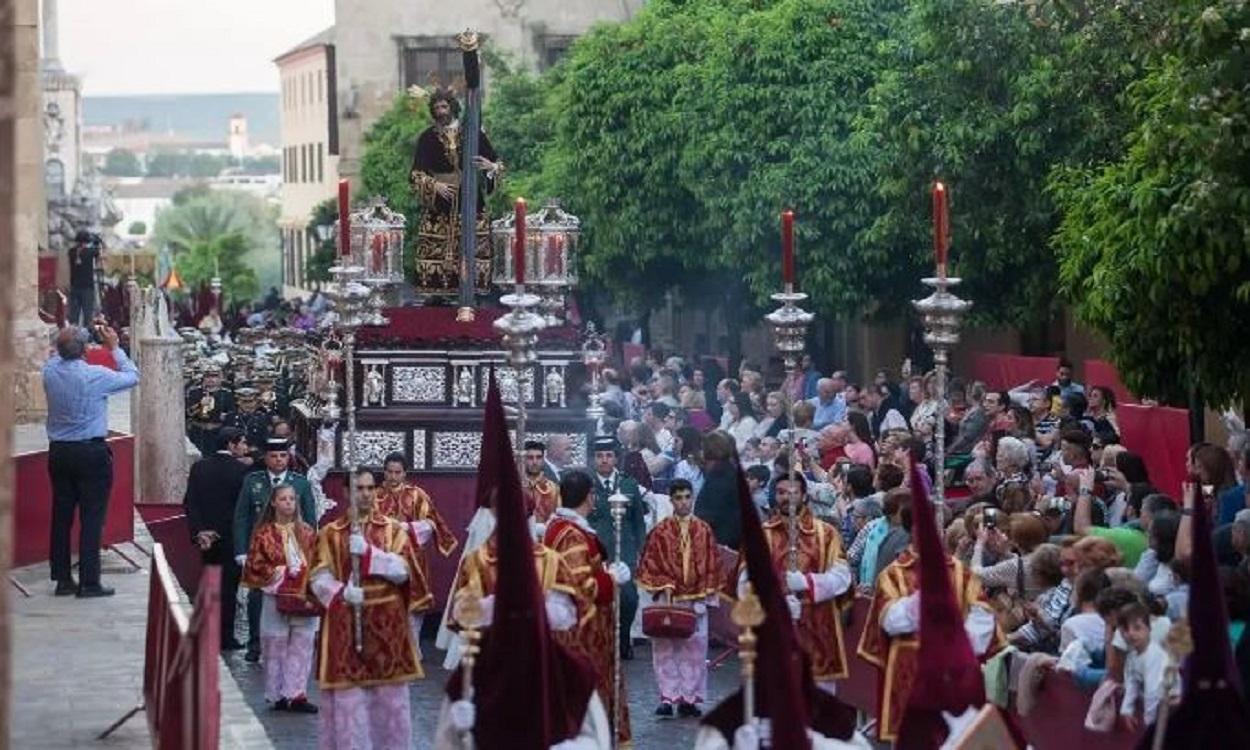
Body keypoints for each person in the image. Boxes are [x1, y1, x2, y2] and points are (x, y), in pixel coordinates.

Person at [435, 394, 608, 749]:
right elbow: (461, 614)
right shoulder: (477, 561)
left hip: (543, 662)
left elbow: (567, 613)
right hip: (491, 661)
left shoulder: (550, 563)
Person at [858, 468, 1002, 743]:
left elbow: (982, 614)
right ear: (912, 529)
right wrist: (923, 599)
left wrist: (961, 645)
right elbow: (889, 620)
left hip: (955, 668)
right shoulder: (894, 574)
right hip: (911, 668)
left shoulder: (960, 571)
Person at [309, 468, 427, 749]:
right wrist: (340, 593)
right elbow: (316, 577)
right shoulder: (330, 533)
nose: (365, 494)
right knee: (349, 700)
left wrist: (371, 555)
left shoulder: (394, 530)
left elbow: (405, 571)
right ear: (346, 492)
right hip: (346, 621)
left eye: (370, 488)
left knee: (390, 699)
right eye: (358, 488)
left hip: (388, 624)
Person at [43, 324, 140, 598]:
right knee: (91, 517)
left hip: (60, 451)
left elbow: (54, 354)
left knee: (61, 516)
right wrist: (114, 347)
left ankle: (62, 578)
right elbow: (132, 376)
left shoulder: (49, 372)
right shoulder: (95, 376)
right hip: (90, 452)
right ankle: (89, 581)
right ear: (85, 349)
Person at [544, 470, 635, 746]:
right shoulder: (571, 534)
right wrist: (611, 579)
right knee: (588, 689)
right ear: (589, 497)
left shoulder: (564, 526)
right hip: (582, 630)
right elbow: (580, 584)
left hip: (584, 626)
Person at [754, 471, 853, 693]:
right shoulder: (762, 535)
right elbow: (746, 581)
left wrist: (808, 583)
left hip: (818, 628)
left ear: (805, 495)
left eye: (793, 492)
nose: (786, 498)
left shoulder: (826, 534)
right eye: (780, 492)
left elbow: (842, 577)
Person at [636, 479, 721, 717]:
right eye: (678, 497)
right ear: (671, 500)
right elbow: (649, 562)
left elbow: (712, 564)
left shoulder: (703, 530)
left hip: (696, 599)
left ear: (692, 498)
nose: (683, 502)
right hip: (668, 598)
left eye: (687, 497)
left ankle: (689, 698)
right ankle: (667, 696)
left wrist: (705, 597)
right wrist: (664, 584)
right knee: (664, 647)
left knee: (695, 649)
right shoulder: (661, 530)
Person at [409, 83, 502, 296]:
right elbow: (416, 174)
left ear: (452, 107)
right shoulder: (427, 137)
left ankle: (472, 293)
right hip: (440, 202)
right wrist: (435, 185)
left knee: (472, 245)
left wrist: (491, 167)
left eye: (444, 107)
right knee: (437, 245)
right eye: (437, 109)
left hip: (470, 199)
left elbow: (497, 162)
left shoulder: (472, 133)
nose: (440, 112)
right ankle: (437, 293)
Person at [233, 438, 318, 662]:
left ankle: (290, 640)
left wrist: (310, 551)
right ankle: (255, 643)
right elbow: (242, 517)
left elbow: (310, 519)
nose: (279, 460)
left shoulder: (300, 484)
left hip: (292, 549)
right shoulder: (253, 481)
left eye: (282, 456)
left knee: (292, 594)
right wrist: (241, 550)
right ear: (266, 458)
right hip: (261, 550)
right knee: (257, 597)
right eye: (274, 456)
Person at [241, 483, 319, 713]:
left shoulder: (307, 532)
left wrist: (308, 577)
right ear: (273, 502)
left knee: (302, 645)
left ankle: (297, 694)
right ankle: (277, 694)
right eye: (283, 499)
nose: (288, 503)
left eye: (292, 499)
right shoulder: (263, 534)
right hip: (275, 599)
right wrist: (282, 573)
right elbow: (255, 566)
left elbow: (318, 562)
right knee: (275, 644)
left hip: (303, 597)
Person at [376, 451, 456, 644]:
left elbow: (431, 523)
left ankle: (411, 650)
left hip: (412, 558)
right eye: (389, 472)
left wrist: (407, 528)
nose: (393, 476)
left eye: (397, 472)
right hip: (381, 558)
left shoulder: (417, 495)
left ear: (405, 473)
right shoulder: (374, 495)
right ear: (384, 472)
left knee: (412, 606)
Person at [184, 427, 251, 648]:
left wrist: (199, 531)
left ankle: (207, 631)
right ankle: (225, 637)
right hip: (231, 538)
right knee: (228, 589)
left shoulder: (199, 468)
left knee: (210, 585)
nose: (244, 447)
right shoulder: (240, 471)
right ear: (231, 445)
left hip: (207, 538)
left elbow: (191, 502)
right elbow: (242, 510)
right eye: (241, 442)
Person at [1117, 601, 1178, 732]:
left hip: (1173, 703)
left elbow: (1153, 692)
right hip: (1160, 705)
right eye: (1126, 629)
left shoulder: (1153, 655)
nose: (1131, 633)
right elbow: (1132, 682)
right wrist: (1126, 709)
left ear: (1149, 628)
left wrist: (1149, 725)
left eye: (1137, 628)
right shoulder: (1132, 656)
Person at [185, 364, 236, 456]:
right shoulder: (194, 392)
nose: (211, 379)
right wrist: (200, 405)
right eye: (208, 376)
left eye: (214, 376)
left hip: (218, 431)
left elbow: (232, 414)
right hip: (198, 431)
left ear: (220, 378)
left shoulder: (226, 394)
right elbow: (188, 413)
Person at [521, 440, 561, 526]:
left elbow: (558, 519)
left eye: (538, 457)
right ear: (524, 459)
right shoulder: (514, 488)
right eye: (530, 458)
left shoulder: (553, 489)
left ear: (543, 459)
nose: (535, 462)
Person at [67, 231, 100, 326]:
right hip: (87, 287)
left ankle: (72, 336)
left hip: (74, 287)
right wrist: (97, 241)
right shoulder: (90, 252)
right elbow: (99, 251)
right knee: (88, 315)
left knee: (74, 315)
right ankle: (87, 336)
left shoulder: (71, 252)